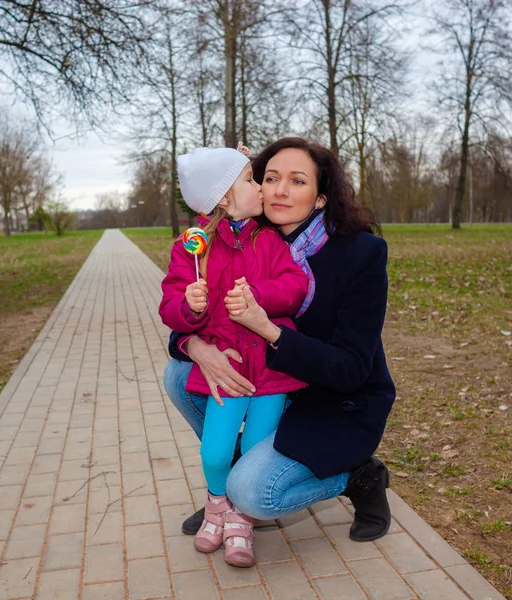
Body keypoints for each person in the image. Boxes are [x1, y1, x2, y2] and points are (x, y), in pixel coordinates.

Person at [163, 137, 396, 546]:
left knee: (258, 493)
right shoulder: (242, 235)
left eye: (297, 181)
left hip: (331, 396)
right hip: (266, 379)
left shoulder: (361, 254)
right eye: (269, 178)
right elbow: (183, 316)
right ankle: (228, 484)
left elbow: (351, 369)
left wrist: (268, 328)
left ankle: (357, 477)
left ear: (321, 199)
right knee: (178, 375)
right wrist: (198, 348)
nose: (280, 190)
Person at [159, 145, 309, 567]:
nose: (261, 187)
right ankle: (216, 506)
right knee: (216, 451)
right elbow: (169, 304)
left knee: (258, 446)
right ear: (224, 197)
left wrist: (259, 296)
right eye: (250, 179)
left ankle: (240, 522)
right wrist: (190, 306)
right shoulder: (194, 249)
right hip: (227, 370)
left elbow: (295, 287)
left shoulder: (270, 240)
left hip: (270, 371)